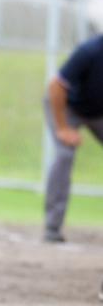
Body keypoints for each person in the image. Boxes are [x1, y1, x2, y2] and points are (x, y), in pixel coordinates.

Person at [42, 33, 103, 243]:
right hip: (67, 107)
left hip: (98, 112)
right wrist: (63, 128)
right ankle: (52, 227)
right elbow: (56, 86)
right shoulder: (90, 51)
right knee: (65, 154)